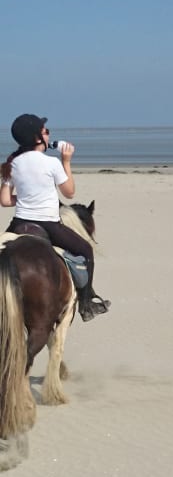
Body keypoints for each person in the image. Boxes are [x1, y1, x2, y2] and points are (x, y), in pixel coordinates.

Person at [0, 113, 110, 322]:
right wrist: (66, 161)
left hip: (19, 224)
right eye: (45, 132)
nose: (49, 135)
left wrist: (25, 198)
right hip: (48, 224)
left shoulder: (12, 163)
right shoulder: (51, 163)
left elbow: (5, 200)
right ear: (37, 138)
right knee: (86, 250)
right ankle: (87, 305)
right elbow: (69, 193)